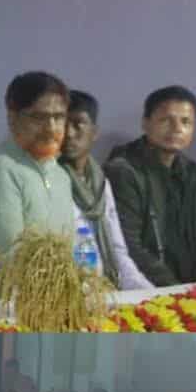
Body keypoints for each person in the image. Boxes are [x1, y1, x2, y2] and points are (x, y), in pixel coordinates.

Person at [105, 85, 196, 286]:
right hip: (148, 291)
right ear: (145, 123)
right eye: (166, 120)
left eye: (185, 121)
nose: (177, 128)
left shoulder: (193, 175)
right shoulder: (123, 172)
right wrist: (176, 292)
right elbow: (128, 246)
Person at [0, 71, 75, 297]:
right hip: (4, 305)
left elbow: (70, 252)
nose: (51, 127)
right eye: (39, 117)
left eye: (59, 117)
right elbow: (10, 256)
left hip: (55, 300)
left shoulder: (61, 176)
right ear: (12, 118)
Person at [58, 90, 152, 289]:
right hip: (73, 291)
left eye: (78, 124)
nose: (69, 133)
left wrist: (149, 293)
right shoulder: (51, 182)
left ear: (94, 132)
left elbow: (118, 251)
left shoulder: (100, 183)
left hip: (107, 287)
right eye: (63, 124)